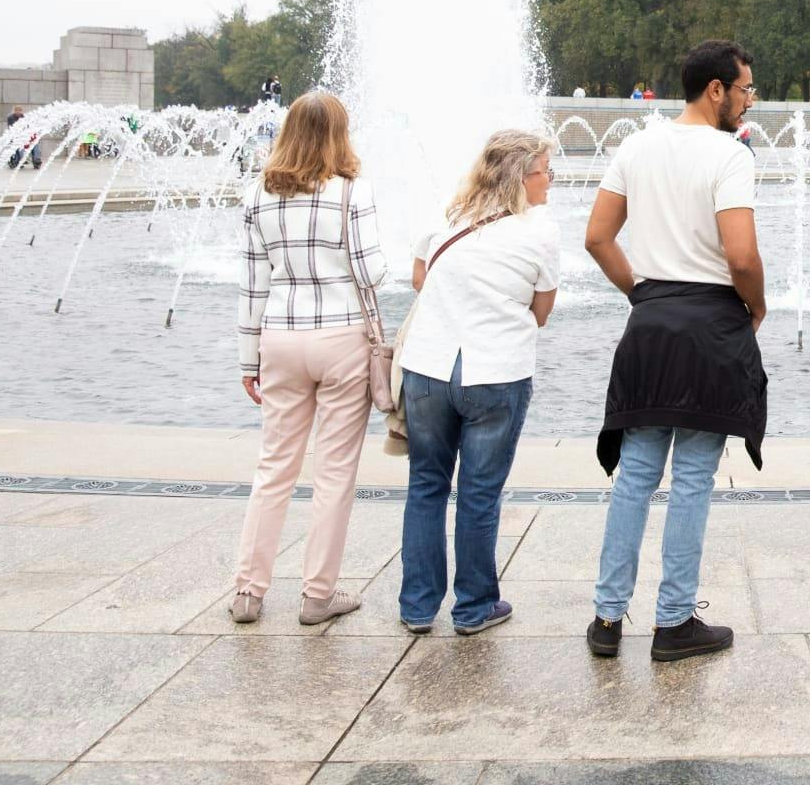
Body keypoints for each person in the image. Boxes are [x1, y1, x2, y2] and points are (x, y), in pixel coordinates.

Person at [583, 39, 767, 663]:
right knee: (691, 478)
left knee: (635, 474)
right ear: (715, 89)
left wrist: (641, 291)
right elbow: (740, 255)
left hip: (651, 323)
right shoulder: (729, 154)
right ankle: (673, 621)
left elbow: (597, 237)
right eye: (744, 89)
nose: (748, 102)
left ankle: (607, 619)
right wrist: (758, 307)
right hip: (710, 324)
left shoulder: (636, 145)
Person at [230, 90, 388, 627]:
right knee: (335, 471)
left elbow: (253, 286)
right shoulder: (351, 192)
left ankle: (248, 591)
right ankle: (317, 594)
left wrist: (247, 359)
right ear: (339, 135)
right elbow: (373, 272)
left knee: (274, 466)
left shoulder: (258, 195)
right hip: (340, 335)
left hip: (278, 333)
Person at [397, 130, 559, 635]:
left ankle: (417, 607)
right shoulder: (540, 231)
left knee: (426, 484)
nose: (550, 180)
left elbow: (420, 276)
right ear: (520, 177)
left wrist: (456, 301)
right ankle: (473, 607)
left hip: (427, 367)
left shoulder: (448, 214)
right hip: (496, 372)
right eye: (543, 172)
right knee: (478, 493)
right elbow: (542, 311)